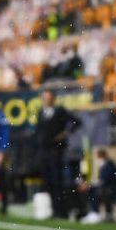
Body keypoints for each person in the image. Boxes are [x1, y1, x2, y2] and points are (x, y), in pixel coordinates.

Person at [35, 90, 81, 219]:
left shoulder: (60, 111)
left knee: (57, 181)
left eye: (48, 98)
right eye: (44, 97)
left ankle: (62, 211)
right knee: (47, 181)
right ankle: (53, 210)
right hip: (44, 151)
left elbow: (76, 122)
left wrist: (65, 133)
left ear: (53, 99)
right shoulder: (41, 112)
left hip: (56, 151)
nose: (46, 100)